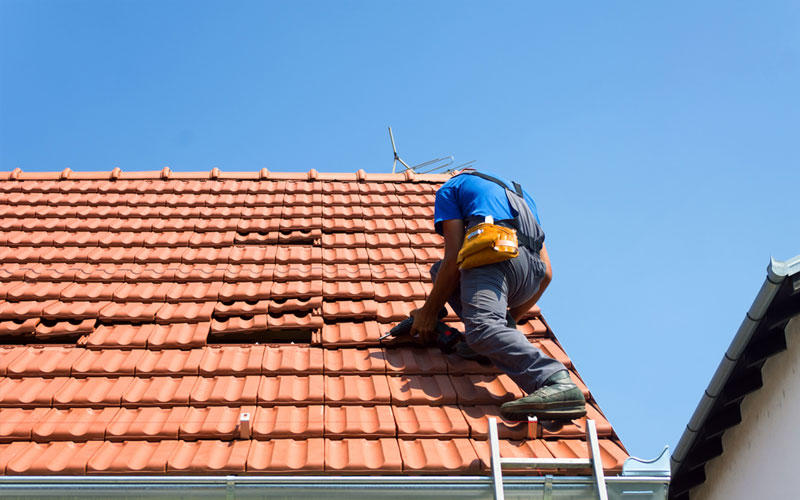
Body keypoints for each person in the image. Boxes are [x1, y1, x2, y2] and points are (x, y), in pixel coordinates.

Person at [410, 169, 586, 420]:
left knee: (481, 328)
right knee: (439, 272)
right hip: (529, 277)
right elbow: (547, 274)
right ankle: (494, 340)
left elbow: (452, 260)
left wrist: (428, 313)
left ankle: (555, 381)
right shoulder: (521, 195)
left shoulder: (450, 189)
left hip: (495, 257)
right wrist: (510, 318)